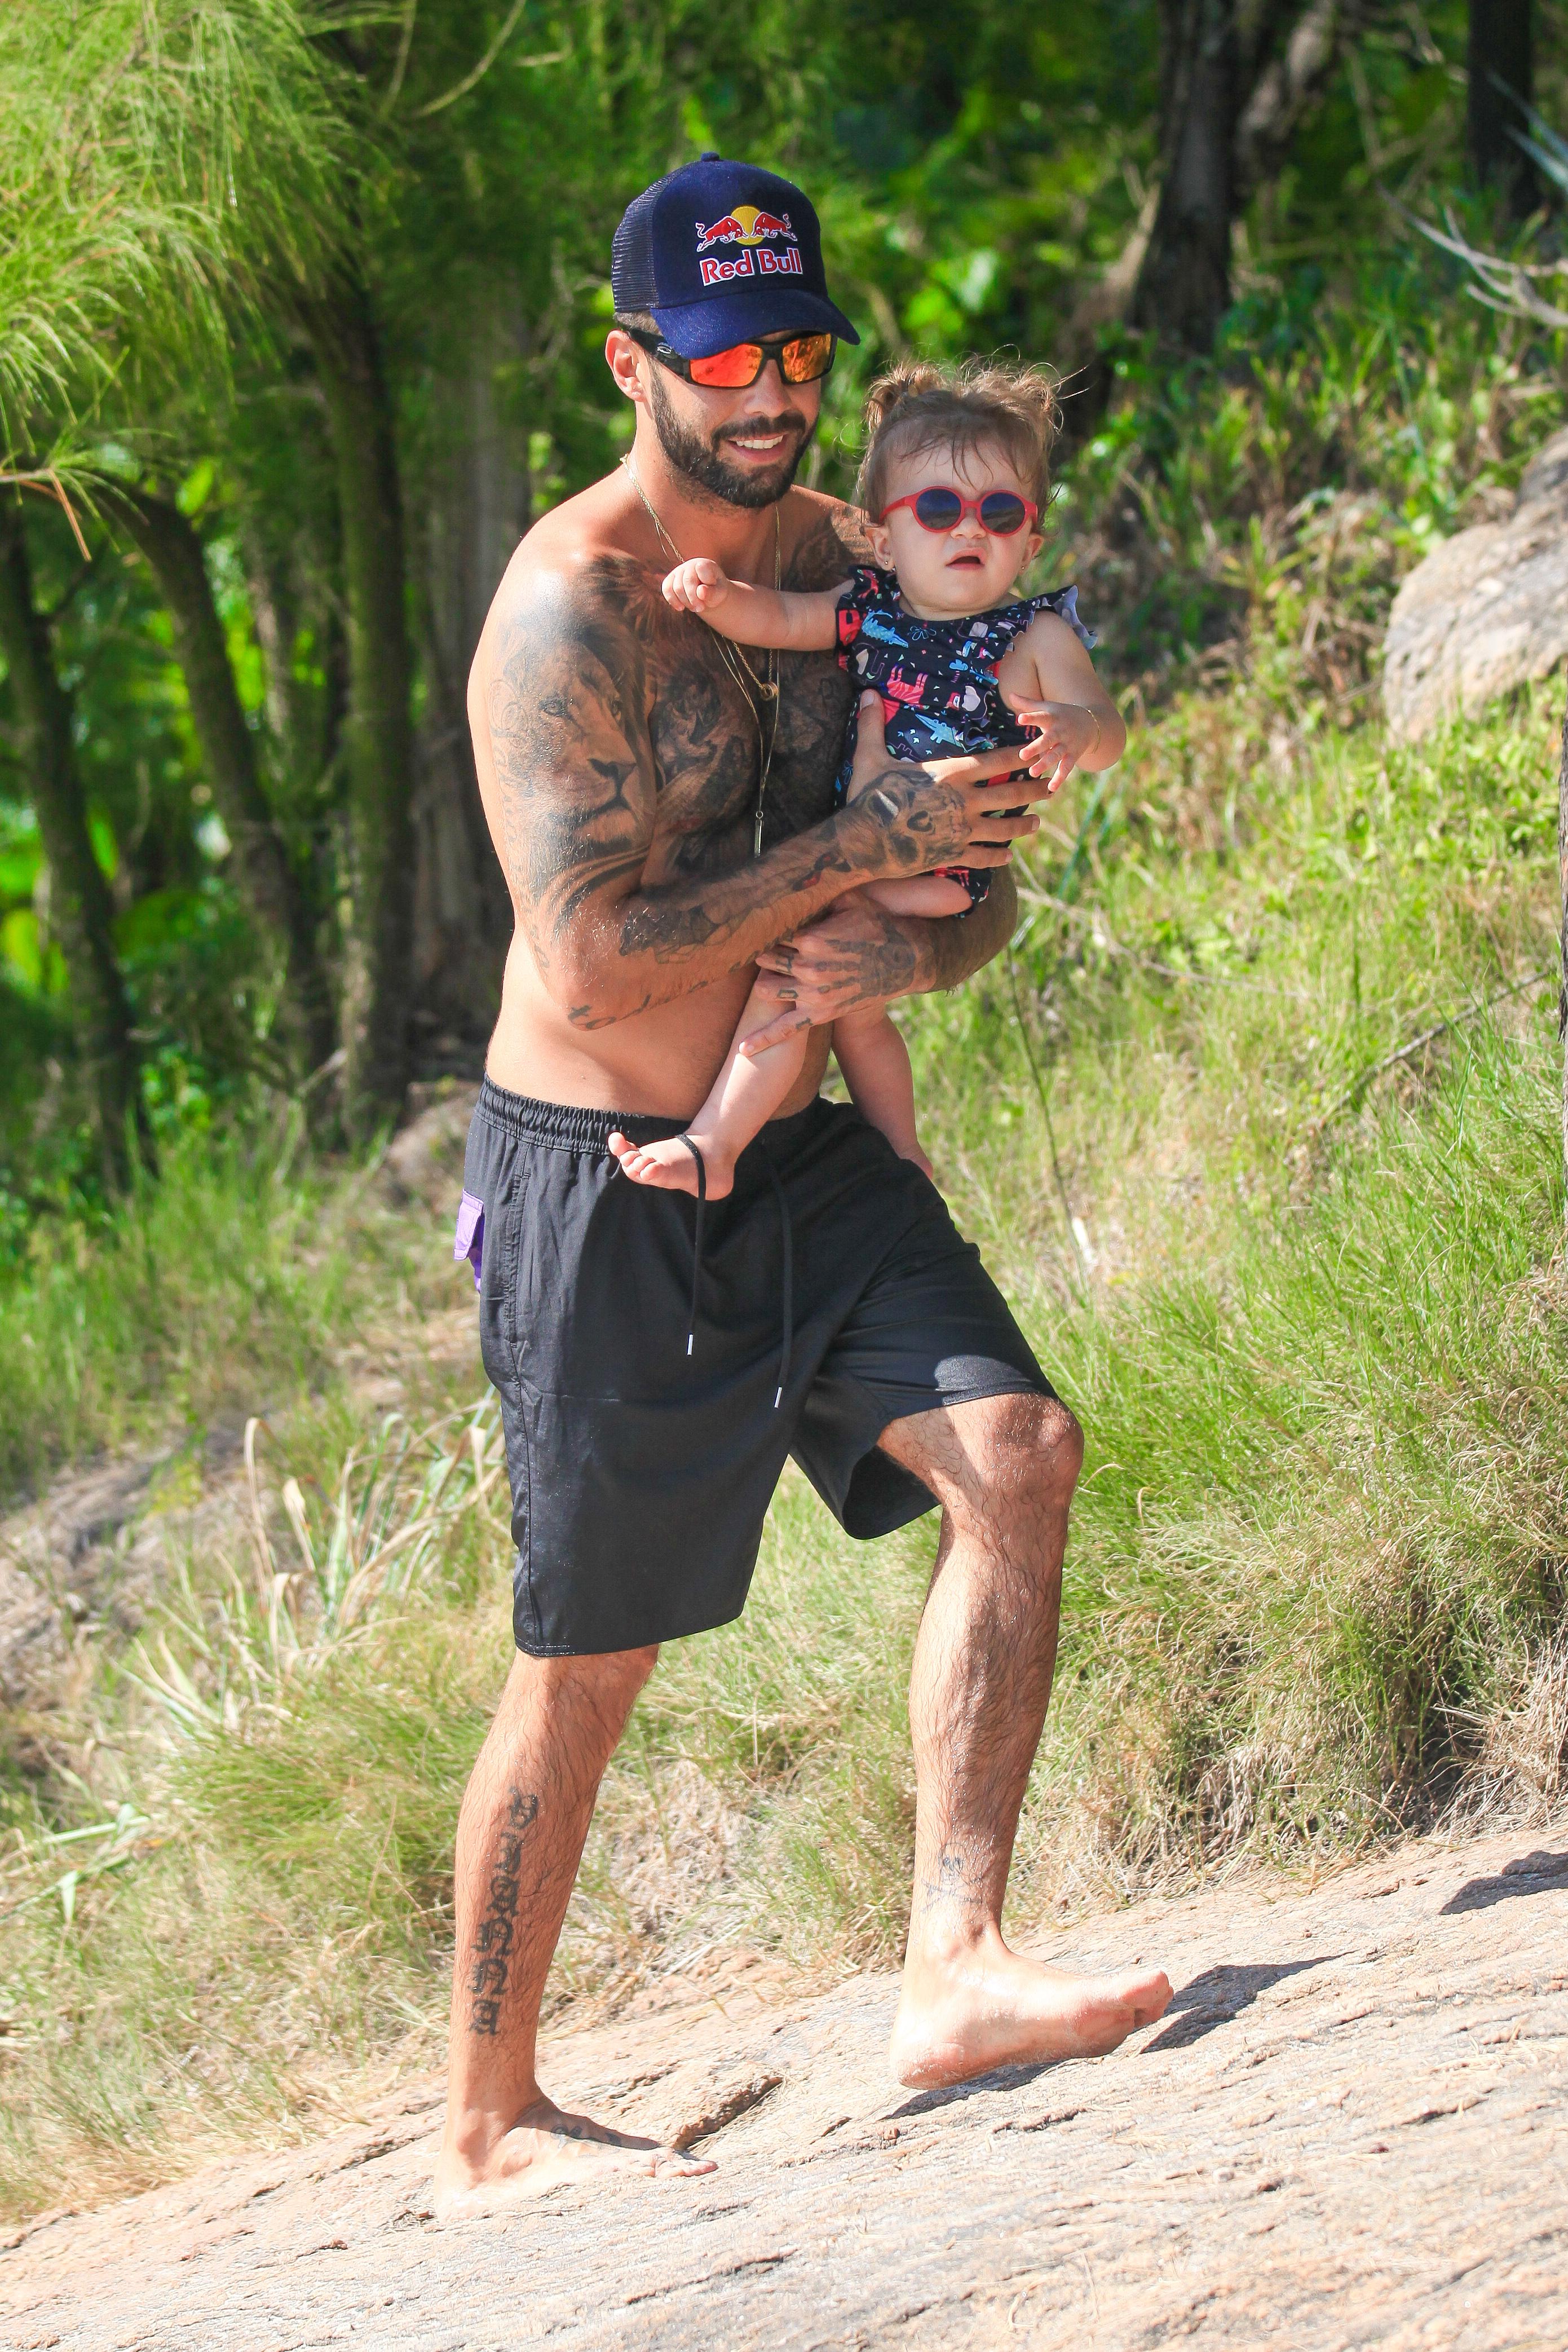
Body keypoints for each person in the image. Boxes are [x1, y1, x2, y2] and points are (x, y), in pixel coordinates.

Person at [435, 154, 1171, 2221]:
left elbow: (979, 886)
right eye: (729, 356)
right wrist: (860, 859)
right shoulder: (563, 609)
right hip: (606, 1174)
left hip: (807, 1135)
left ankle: (954, 1966)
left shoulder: (873, 550)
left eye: (802, 351)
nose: (772, 392)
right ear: (631, 361)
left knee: (1017, 1451)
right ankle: (487, 2123)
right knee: (592, 1658)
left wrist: (909, 933)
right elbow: (590, 959)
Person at [609, 359, 1125, 1197]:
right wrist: (715, 594)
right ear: (883, 539)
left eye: (999, 514)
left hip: (946, 863)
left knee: (795, 964)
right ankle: (904, 1157)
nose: (970, 531)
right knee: (851, 1005)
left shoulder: (1032, 637)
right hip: (879, 844)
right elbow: (781, 618)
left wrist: (1078, 728)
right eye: (937, 510)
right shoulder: (870, 610)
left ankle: (714, 1145)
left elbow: (1110, 734)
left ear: (1031, 541)